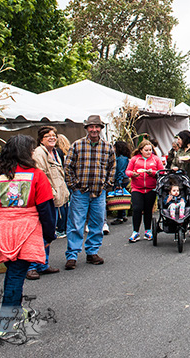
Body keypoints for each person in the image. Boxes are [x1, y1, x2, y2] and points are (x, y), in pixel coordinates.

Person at [0, 135, 56, 338]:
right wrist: (49, 235)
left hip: (2, 229)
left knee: (13, 271)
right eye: (31, 150)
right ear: (25, 152)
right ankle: (6, 322)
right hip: (26, 229)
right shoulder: (37, 175)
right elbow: (46, 209)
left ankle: (17, 311)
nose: (33, 153)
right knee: (16, 275)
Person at [63, 115, 115, 270]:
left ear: (101, 128)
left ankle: (92, 252)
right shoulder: (77, 145)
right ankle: (72, 255)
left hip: (99, 192)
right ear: (86, 128)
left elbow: (112, 167)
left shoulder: (107, 147)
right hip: (81, 191)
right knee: (76, 223)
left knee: (97, 223)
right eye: (91, 127)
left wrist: (107, 185)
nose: (94, 130)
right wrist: (73, 185)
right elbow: (68, 167)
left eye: (97, 127)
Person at [28, 126, 70, 280]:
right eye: (48, 136)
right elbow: (41, 175)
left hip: (57, 197)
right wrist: (51, 193)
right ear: (41, 139)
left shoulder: (56, 152)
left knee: (48, 231)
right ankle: (32, 266)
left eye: (54, 135)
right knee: (41, 233)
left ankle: (43, 264)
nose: (52, 138)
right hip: (46, 198)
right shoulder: (39, 153)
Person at [126, 139, 163, 242]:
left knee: (148, 209)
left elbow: (161, 172)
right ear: (141, 150)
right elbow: (128, 171)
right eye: (146, 150)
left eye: (150, 150)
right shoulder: (135, 159)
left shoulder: (155, 159)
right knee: (137, 208)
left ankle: (148, 230)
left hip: (151, 188)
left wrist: (153, 173)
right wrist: (133, 174)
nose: (148, 152)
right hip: (137, 188)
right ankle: (135, 232)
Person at [111, 140, 132, 225]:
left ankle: (120, 217)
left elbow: (120, 171)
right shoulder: (125, 158)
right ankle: (123, 215)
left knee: (119, 197)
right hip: (125, 179)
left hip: (121, 180)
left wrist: (118, 183)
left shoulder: (120, 159)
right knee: (122, 197)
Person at [55, 134, 72, 237]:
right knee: (67, 204)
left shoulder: (56, 153)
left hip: (61, 180)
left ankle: (61, 228)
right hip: (68, 180)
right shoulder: (69, 152)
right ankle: (67, 226)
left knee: (60, 204)